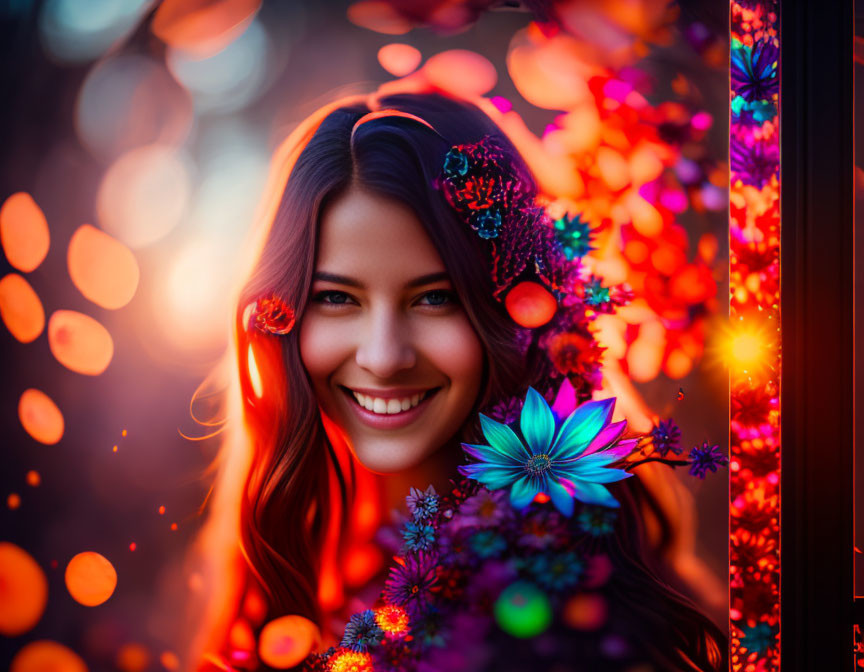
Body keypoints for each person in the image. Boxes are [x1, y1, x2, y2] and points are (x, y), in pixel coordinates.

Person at [185, 90, 727, 672]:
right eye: (337, 298)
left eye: (436, 298)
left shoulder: (553, 615)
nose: (384, 356)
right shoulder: (328, 576)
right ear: (281, 315)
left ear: (523, 312)